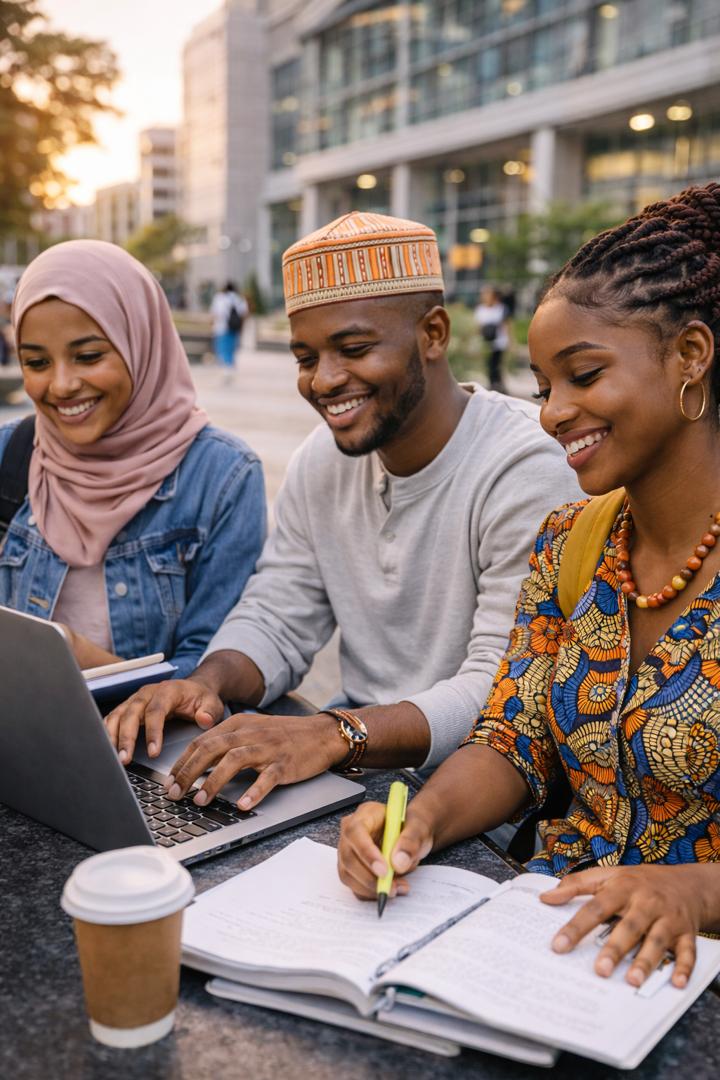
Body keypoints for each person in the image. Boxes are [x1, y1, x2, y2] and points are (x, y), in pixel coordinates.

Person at [338, 184, 720, 988]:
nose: (553, 413)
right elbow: (514, 738)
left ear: (690, 356)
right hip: (546, 949)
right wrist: (419, 822)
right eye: (545, 386)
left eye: (582, 375)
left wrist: (692, 890)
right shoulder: (571, 543)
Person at [106, 210, 579, 802]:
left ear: (433, 334)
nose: (324, 381)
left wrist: (335, 735)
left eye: (352, 348)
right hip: (351, 759)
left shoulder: (526, 467)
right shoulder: (321, 459)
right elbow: (280, 611)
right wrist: (205, 683)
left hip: (484, 792)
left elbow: (501, 688)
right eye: (305, 358)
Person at [0, 240, 266, 675]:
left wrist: (77, 657)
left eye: (88, 356)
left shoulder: (223, 478)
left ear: (141, 341)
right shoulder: (9, 455)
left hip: (149, 743)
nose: (62, 384)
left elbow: (212, 674)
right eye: (36, 362)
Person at [473, 285, 510, 393]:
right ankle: (493, 385)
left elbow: (506, 325)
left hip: (499, 342)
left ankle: (498, 385)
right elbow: (478, 327)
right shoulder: (480, 309)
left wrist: (509, 341)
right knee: (489, 365)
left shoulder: (501, 308)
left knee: (496, 365)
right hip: (486, 343)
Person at [210, 281, 248, 372]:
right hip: (234, 327)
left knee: (222, 348)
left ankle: (226, 366)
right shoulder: (238, 298)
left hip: (221, 327)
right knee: (231, 348)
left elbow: (214, 313)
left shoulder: (219, 298)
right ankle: (230, 364)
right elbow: (244, 313)